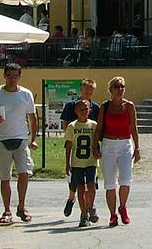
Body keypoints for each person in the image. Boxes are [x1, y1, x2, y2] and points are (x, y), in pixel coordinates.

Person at [0, 62, 37, 224]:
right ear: (4, 76)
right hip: (2, 139)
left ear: (19, 77)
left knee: (24, 173)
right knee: (5, 177)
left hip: (21, 138)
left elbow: (32, 117)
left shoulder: (26, 94)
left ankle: (21, 206)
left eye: (15, 76)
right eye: (9, 76)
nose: (12, 79)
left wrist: (33, 139)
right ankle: (7, 210)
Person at [92, 76, 141, 227]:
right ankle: (113, 214)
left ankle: (123, 207)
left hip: (125, 144)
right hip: (108, 145)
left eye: (122, 87)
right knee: (110, 183)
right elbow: (99, 127)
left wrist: (137, 147)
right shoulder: (105, 107)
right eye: (116, 87)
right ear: (110, 90)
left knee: (126, 179)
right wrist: (95, 146)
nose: (120, 90)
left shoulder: (129, 106)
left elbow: (133, 128)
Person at [60, 79, 101, 222]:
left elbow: (98, 130)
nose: (88, 94)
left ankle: (90, 207)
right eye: (86, 91)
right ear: (81, 90)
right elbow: (65, 123)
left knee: (91, 184)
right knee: (75, 184)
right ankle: (71, 199)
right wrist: (71, 135)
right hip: (76, 146)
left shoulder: (95, 108)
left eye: (91, 92)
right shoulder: (72, 105)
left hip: (89, 154)